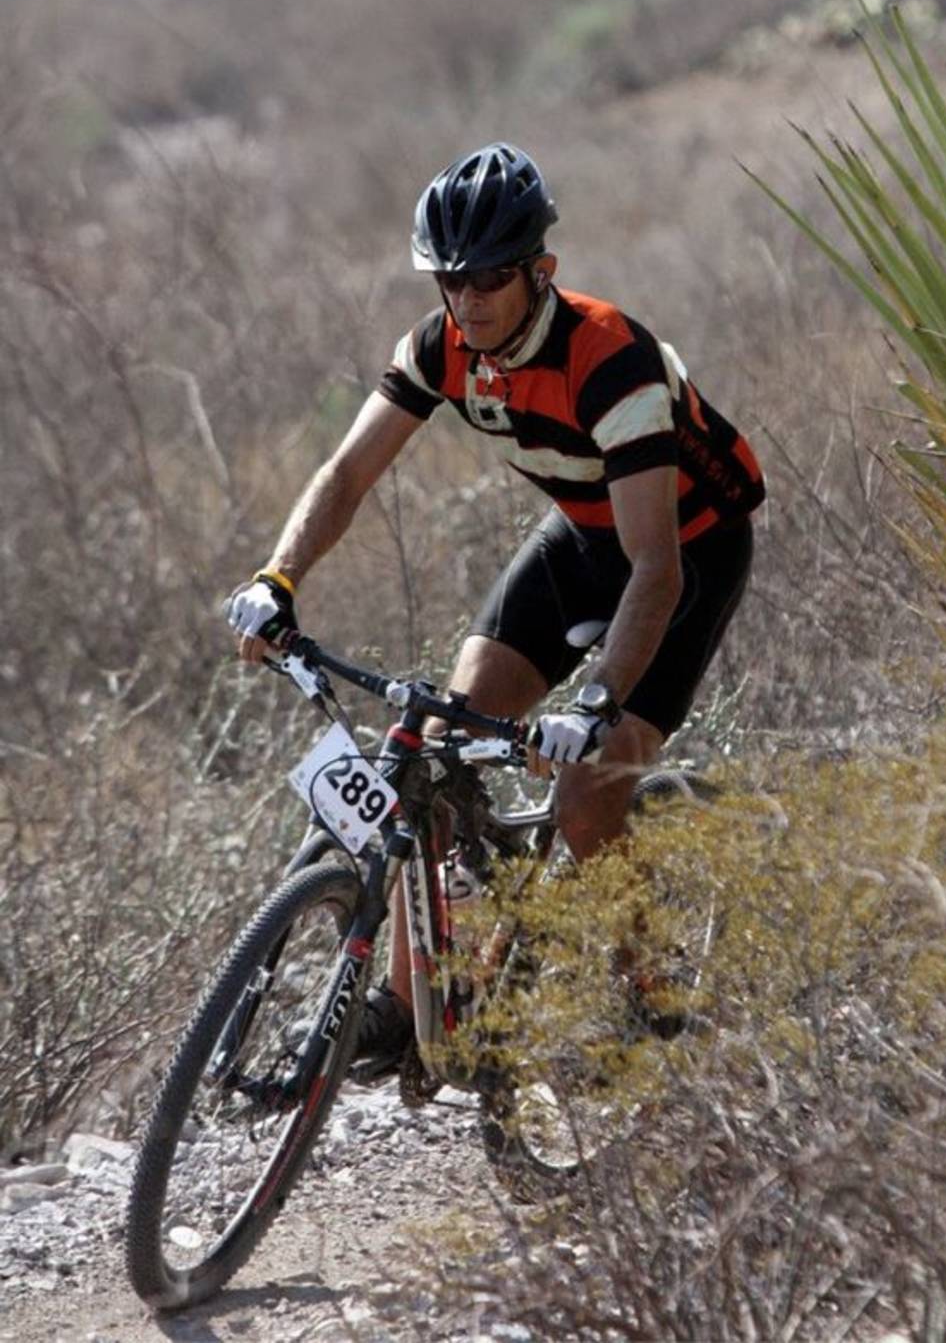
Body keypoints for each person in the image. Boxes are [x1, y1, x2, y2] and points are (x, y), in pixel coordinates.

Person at [227, 141, 764, 1066]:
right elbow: (348, 473)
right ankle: (407, 1008)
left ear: (539, 272)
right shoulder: (441, 344)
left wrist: (595, 702)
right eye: (449, 280)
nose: (466, 300)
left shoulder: (610, 361)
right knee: (431, 762)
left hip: (685, 550)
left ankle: (651, 989)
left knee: (589, 796)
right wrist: (278, 578)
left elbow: (655, 567)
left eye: (489, 279)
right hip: (581, 532)